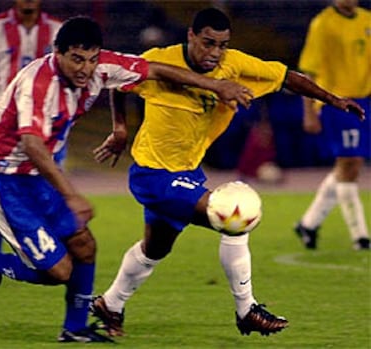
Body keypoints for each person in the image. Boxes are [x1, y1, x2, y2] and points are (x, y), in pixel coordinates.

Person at [0, 15, 254, 343]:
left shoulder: (102, 67)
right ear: (56, 53)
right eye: (76, 59)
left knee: (85, 248)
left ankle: (74, 328)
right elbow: (33, 146)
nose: (85, 69)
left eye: (91, 59)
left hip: (39, 177)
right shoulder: (39, 84)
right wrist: (72, 194)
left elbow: (156, 69)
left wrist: (215, 85)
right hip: (6, 180)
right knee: (59, 272)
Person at [91, 7, 365, 338]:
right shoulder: (159, 58)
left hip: (187, 172)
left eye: (222, 45)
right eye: (208, 43)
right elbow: (119, 83)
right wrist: (120, 129)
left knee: (155, 249)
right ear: (191, 35)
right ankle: (246, 309)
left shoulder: (234, 64)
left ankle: (111, 303)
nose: (215, 53)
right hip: (152, 174)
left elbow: (284, 77)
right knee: (233, 213)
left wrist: (332, 99)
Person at [0, 0, 62, 251]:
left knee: (46, 191)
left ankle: (46, 251)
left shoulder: (57, 30)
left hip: (46, 123)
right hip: (5, 122)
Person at [294, 0, 370, 250]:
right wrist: (309, 112)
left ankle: (308, 223)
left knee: (346, 165)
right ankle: (360, 235)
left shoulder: (366, 20)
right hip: (336, 102)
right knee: (351, 163)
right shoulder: (323, 24)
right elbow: (309, 72)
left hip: (363, 100)